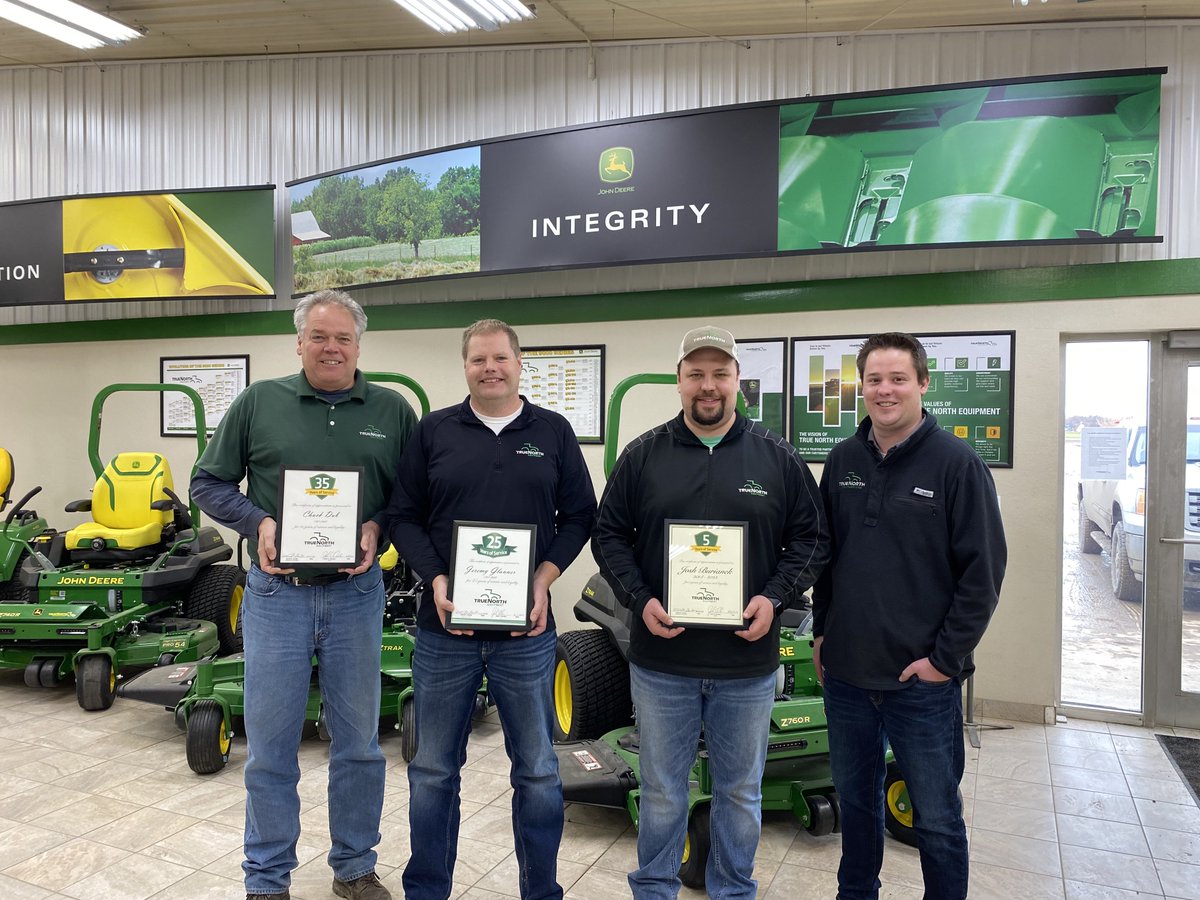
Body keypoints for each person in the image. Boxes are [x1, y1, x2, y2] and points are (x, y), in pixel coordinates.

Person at [191, 289, 417, 900]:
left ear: (358, 346)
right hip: (276, 597)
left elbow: (413, 496)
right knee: (269, 746)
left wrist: (378, 526)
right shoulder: (257, 403)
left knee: (359, 745)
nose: (331, 348)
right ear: (299, 342)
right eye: (319, 336)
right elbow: (207, 483)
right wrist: (258, 522)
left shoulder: (393, 411)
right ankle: (266, 878)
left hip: (355, 597)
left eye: (343, 338)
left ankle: (355, 867)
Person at [591, 324, 829, 899]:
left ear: (737, 380)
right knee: (662, 791)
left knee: (740, 793)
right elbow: (608, 535)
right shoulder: (643, 454)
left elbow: (813, 538)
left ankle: (733, 892)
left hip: (746, 666)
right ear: (678, 380)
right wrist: (640, 599)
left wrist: (773, 599)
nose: (708, 385)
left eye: (720, 373)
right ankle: (654, 890)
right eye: (695, 373)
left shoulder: (777, 457)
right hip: (661, 664)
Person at [386, 318, 597, 900]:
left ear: (519, 363)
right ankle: (426, 891)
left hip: (527, 635)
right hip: (444, 633)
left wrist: (544, 577)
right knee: (433, 772)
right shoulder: (433, 431)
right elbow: (403, 516)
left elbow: (581, 515)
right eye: (478, 359)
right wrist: (435, 579)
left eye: (500, 358)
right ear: (465, 366)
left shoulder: (553, 431)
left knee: (537, 771)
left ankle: (541, 891)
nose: (490, 369)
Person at [811, 332, 1006, 900]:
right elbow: (826, 557)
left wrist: (943, 661)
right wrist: (822, 632)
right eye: (874, 380)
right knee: (857, 805)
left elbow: (983, 575)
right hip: (847, 677)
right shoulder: (843, 461)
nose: (885, 390)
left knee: (937, 819)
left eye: (898, 379)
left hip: (920, 684)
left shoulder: (958, 464)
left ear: (922, 383)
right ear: (861, 387)